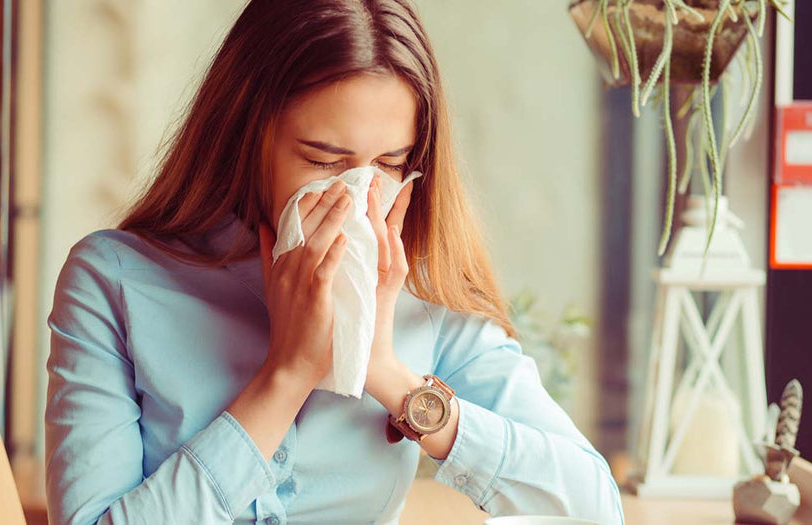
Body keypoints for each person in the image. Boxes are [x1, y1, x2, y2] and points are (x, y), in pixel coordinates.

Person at [44, 1, 625, 524]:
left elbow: (592, 506)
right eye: (323, 161)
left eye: (389, 164)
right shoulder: (113, 281)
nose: (356, 196)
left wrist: (384, 371)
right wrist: (287, 374)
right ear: (246, 138)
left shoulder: (425, 292)